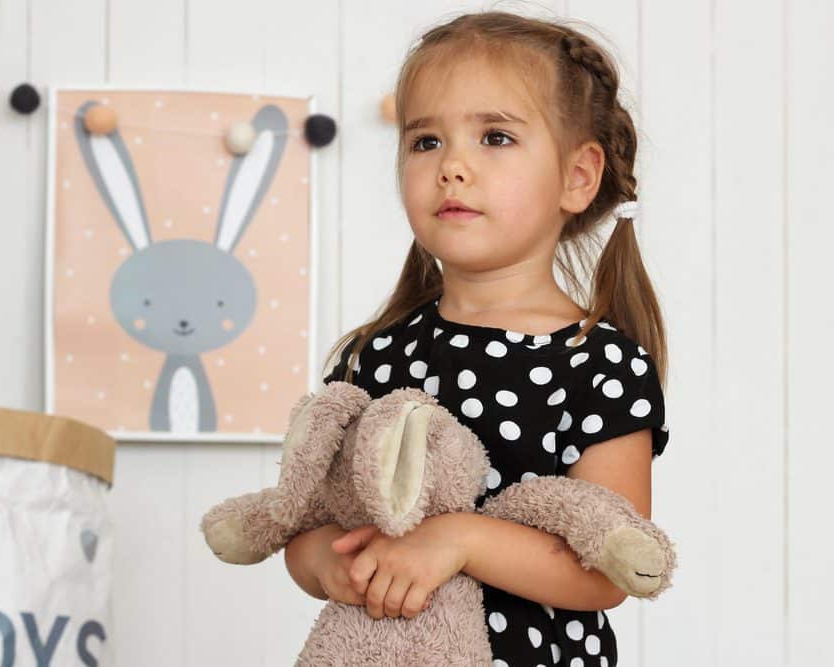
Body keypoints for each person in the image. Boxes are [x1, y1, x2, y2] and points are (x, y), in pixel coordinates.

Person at [283, 9, 670, 666]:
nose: (452, 165)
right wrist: (329, 564)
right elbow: (308, 525)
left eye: (494, 137)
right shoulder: (378, 355)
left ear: (578, 176)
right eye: (425, 141)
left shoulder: (601, 365)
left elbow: (612, 570)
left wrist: (458, 539)